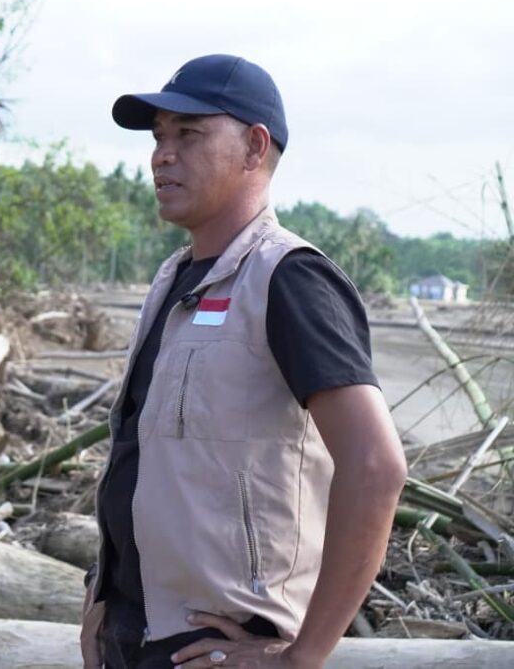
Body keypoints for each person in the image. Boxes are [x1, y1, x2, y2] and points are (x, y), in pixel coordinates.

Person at [80, 54, 408, 669]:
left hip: (217, 646)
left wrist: (301, 657)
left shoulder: (288, 279)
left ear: (256, 147)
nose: (161, 155)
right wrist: (104, 601)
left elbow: (376, 465)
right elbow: (153, 460)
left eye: (189, 134)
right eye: (158, 137)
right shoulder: (175, 278)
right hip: (134, 634)